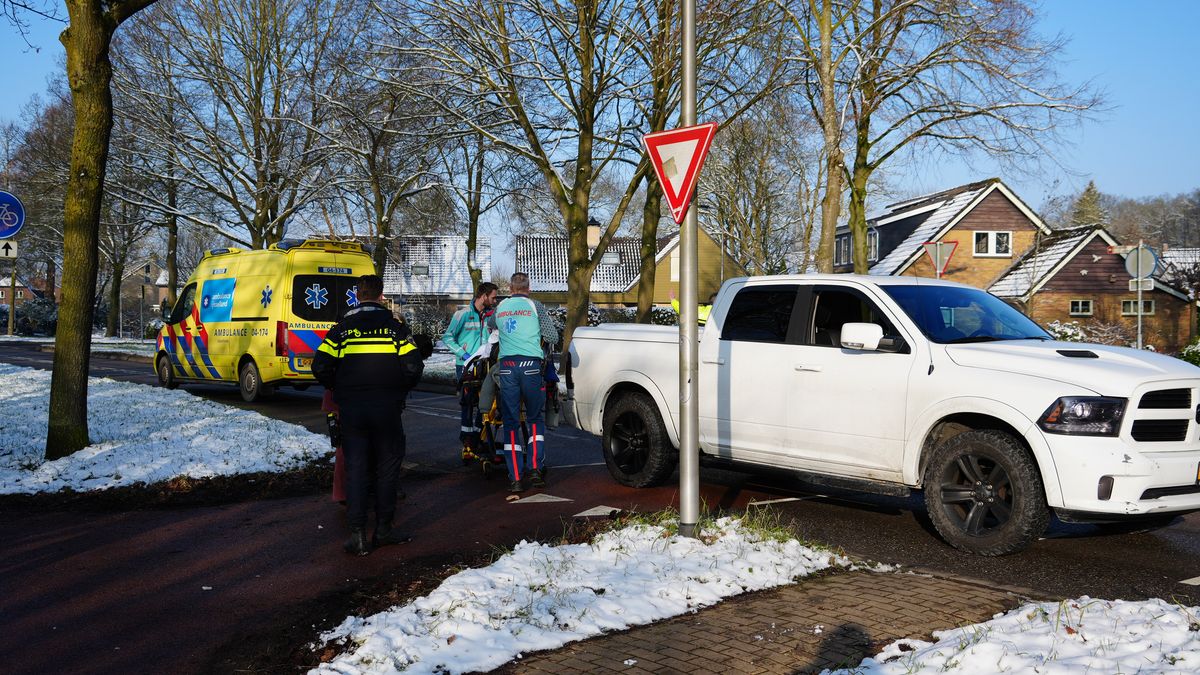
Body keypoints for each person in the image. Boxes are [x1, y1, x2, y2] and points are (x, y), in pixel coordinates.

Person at [312, 274, 424, 556]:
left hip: (353, 411)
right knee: (387, 469)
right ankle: (384, 530)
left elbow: (320, 366)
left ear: (358, 295)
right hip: (387, 410)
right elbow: (414, 366)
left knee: (357, 469)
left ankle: (358, 536)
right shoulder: (395, 329)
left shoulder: (341, 330)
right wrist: (398, 391)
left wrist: (338, 387)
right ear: (381, 295)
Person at [492, 272, 549, 494]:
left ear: (509, 287)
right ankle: (535, 468)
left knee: (511, 421)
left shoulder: (501, 307)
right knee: (534, 418)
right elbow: (552, 335)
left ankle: (515, 477)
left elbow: (490, 323)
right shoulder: (536, 306)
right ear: (529, 287)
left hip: (507, 367)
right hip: (531, 366)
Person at [442, 282, 499, 455]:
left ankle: (478, 438)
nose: (495, 301)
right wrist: (464, 355)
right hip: (466, 366)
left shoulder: (492, 317)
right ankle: (466, 440)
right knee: (467, 404)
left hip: (486, 365)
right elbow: (447, 337)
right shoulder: (462, 314)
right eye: (493, 297)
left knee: (485, 404)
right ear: (484, 296)